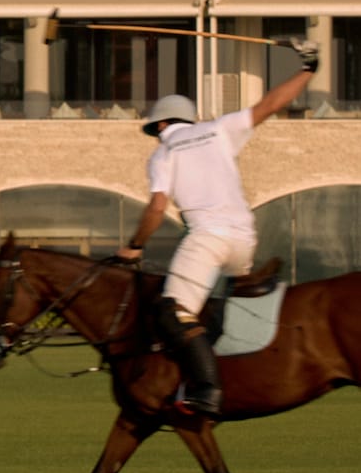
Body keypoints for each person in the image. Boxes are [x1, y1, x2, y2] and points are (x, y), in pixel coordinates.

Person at [116, 40, 319, 416]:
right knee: (208, 312)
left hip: (208, 239)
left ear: (161, 124)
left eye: (154, 129)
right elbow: (270, 105)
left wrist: (135, 246)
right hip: (244, 240)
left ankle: (207, 391)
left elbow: (157, 208)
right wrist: (308, 69)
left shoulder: (163, 153)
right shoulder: (220, 129)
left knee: (173, 313)